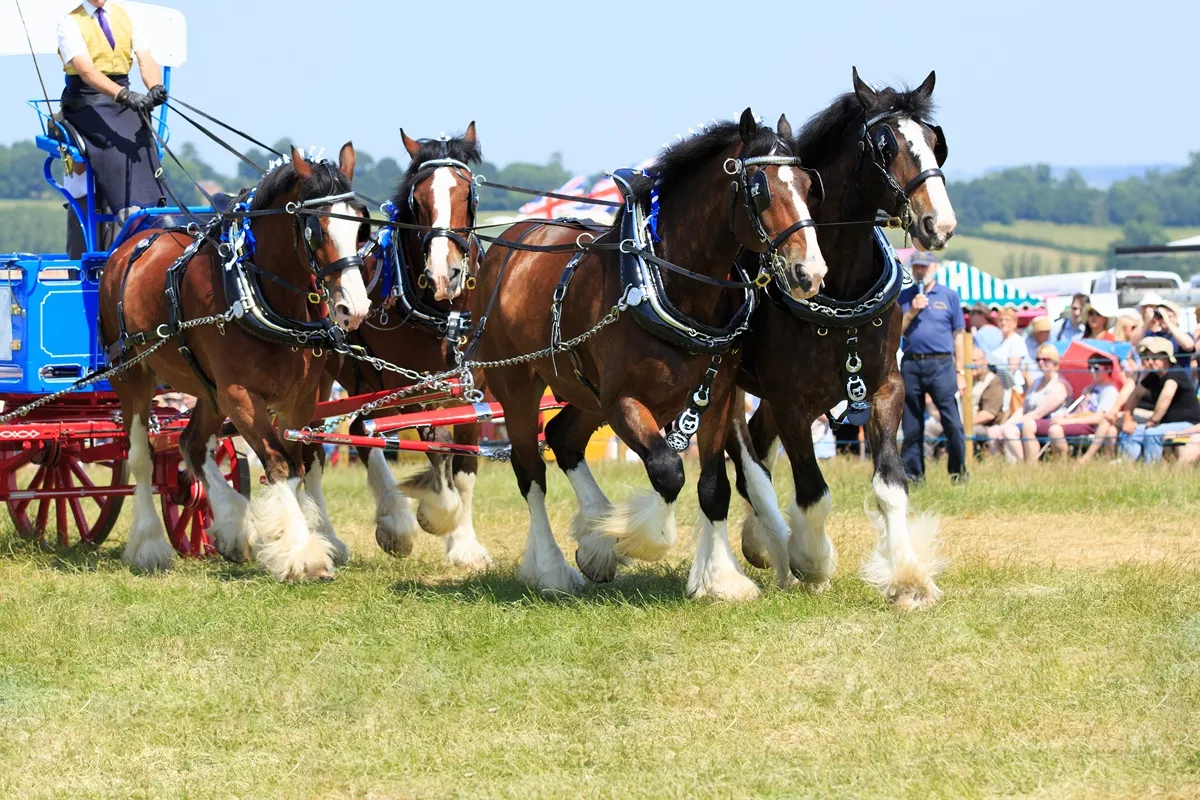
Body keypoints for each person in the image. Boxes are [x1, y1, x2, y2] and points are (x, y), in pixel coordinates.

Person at [57, 0, 167, 255]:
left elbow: (145, 60)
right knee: (114, 142)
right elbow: (86, 71)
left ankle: (154, 210)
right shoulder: (70, 23)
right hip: (86, 99)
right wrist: (125, 96)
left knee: (142, 139)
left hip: (122, 95)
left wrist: (155, 88)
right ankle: (129, 212)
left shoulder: (128, 16)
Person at [899, 251, 968, 483]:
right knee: (911, 425)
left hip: (942, 365)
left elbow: (959, 336)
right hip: (912, 364)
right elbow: (896, 330)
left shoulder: (949, 296)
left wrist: (961, 372)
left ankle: (958, 472)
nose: (920, 271)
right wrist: (912, 311)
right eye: (917, 267)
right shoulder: (905, 296)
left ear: (934, 268)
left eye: (924, 267)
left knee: (952, 423)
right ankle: (913, 475)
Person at [1117, 337, 1200, 462]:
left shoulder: (1175, 373)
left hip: (1188, 424)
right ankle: (1129, 466)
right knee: (1130, 433)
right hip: (1166, 424)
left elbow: (1165, 398)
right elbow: (1135, 395)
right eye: (1147, 358)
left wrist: (1153, 421)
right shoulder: (1154, 376)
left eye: (1154, 358)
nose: (1149, 362)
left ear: (1166, 358)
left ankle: (1151, 469)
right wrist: (1128, 419)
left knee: (1152, 434)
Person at [987, 343, 1073, 463]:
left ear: (1055, 361)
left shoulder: (1060, 386)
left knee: (1010, 431)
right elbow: (1024, 408)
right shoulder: (1037, 382)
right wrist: (1006, 424)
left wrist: (1009, 426)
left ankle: (1021, 466)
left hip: (1048, 421)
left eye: (1046, 359)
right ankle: (1000, 465)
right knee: (994, 431)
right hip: (1029, 419)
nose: (1041, 362)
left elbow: (1038, 413)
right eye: (1038, 359)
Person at [926, 345, 1002, 457]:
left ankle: (962, 464)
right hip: (955, 421)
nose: (970, 364)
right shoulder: (959, 379)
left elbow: (988, 414)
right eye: (967, 360)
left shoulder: (993, 381)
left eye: (974, 360)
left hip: (981, 426)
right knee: (928, 430)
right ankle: (928, 463)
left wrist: (960, 424)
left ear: (984, 362)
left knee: (966, 431)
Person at [1045, 353, 1120, 457]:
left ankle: (1063, 461)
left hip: (1091, 427)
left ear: (1108, 369)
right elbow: (1080, 412)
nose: (1092, 371)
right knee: (1053, 425)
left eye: (1096, 368)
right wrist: (1068, 416)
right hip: (1081, 422)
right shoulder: (1088, 389)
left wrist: (1068, 421)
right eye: (1090, 367)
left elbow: (1098, 418)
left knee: (1055, 430)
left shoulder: (1109, 391)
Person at [1131, 294, 1195, 371]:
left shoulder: (1184, 335)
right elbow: (1133, 342)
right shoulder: (1153, 335)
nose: (1163, 319)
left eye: (1169, 315)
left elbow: (1188, 345)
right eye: (1160, 316)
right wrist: (1147, 322)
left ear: (1176, 317)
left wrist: (1167, 321)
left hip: (1178, 379)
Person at [989, 308, 1027, 388]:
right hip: (1000, 386)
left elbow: (1011, 369)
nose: (1003, 322)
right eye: (1001, 320)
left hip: (1011, 388)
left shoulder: (1016, 341)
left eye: (1007, 320)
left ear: (1014, 323)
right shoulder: (1001, 342)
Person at [1023, 315, 1053, 383]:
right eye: (1042, 332)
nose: (1046, 334)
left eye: (1047, 331)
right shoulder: (1025, 345)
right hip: (1032, 383)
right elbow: (1025, 370)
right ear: (1035, 333)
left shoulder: (1050, 345)